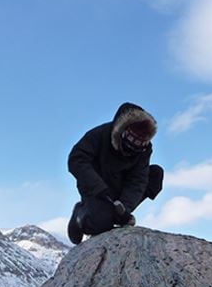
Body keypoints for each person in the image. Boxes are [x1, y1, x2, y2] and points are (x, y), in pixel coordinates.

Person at [66, 102, 164, 245]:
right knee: (101, 225)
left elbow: (138, 180)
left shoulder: (145, 148)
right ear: (123, 131)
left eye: (140, 144)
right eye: (132, 140)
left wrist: (124, 207)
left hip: (120, 185)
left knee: (155, 174)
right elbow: (76, 160)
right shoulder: (99, 135)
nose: (134, 147)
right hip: (95, 186)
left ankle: (116, 216)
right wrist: (98, 188)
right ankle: (81, 214)